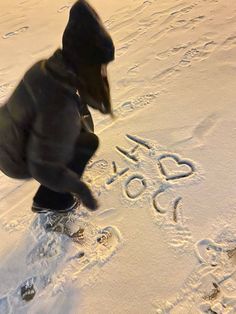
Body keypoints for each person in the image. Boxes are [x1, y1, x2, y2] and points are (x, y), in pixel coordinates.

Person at [0, 0, 115, 213]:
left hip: (6, 138)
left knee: (79, 126)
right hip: (13, 158)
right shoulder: (58, 104)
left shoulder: (48, 68)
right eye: (99, 66)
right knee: (87, 141)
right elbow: (42, 166)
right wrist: (80, 189)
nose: (102, 73)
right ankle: (52, 200)